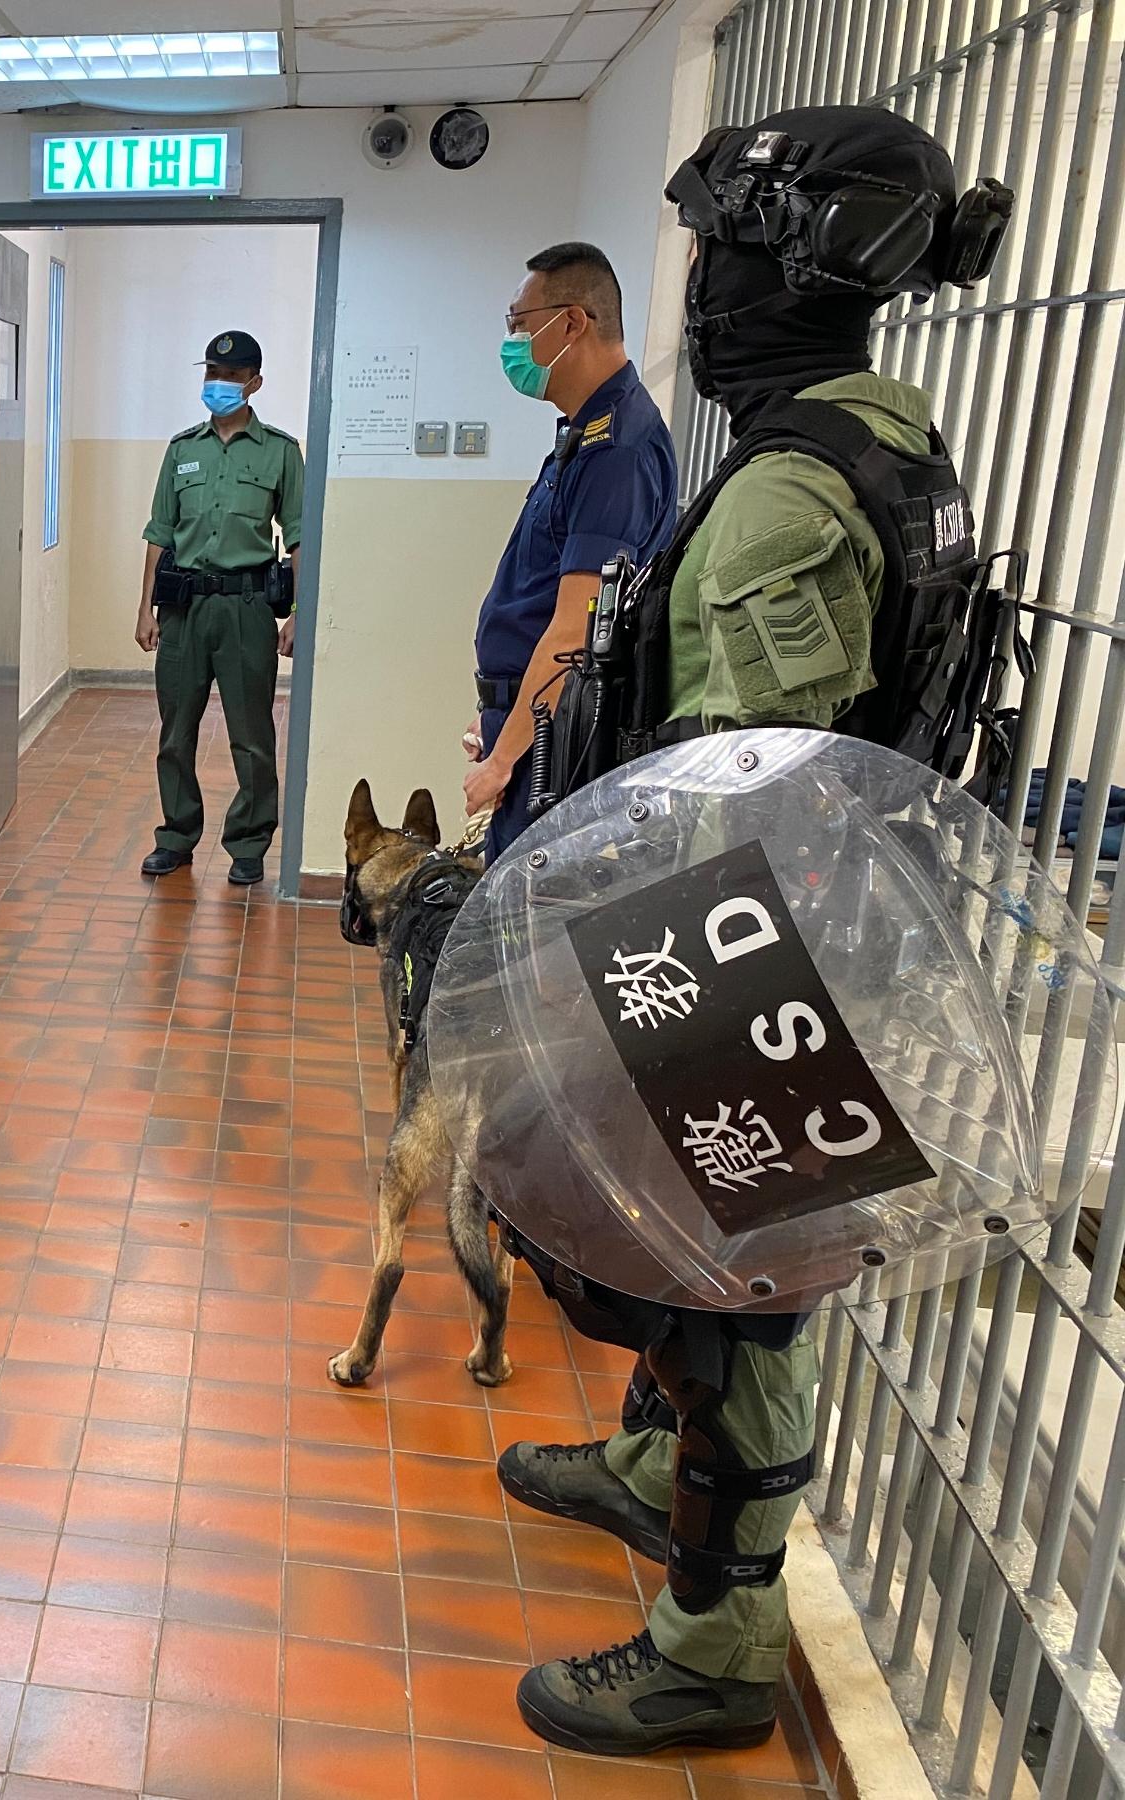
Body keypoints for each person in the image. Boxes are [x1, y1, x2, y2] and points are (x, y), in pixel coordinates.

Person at [493, 106, 1006, 1756]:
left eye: (715, 250)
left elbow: (742, 804)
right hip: (838, 933)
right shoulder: (882, 445)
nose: (695, 284)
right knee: (708, 1282)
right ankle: (659, 1464)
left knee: (742, 1295)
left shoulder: (793, 489)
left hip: (765, 961)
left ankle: (716, 1645)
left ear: (785, 269)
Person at [465, 242, 678, 857]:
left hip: (555, 741)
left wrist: (505, 760)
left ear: (571, 323)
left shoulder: (617, 451)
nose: (511, 342)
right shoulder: (585, 434)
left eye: (518, 324)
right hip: (531, 724)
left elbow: (576, 631)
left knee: (525, 928)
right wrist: (498, 716)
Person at [137, 330, 304, 887]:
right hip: (183, 610)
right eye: (211, 373)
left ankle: (250, 841)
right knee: (174, 731)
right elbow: (159, 534)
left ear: (254, 383)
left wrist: (298, 613)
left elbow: (301, 536)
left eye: (231, 377)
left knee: (251, 734)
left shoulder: (281, 452)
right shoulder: (182, 449)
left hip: (247, 607)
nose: (219, 384)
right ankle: (176, 836)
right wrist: (145, 609)